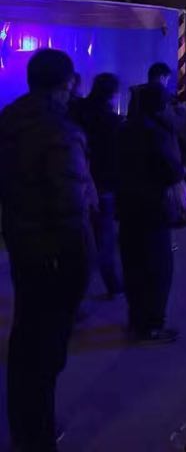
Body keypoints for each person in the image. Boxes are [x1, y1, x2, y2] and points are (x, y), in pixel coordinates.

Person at [0, 49, 96, 452]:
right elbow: (70, 205)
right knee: (45, 347)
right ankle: (35, 437)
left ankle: (27, 427)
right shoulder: (59, 130)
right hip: (55, 253)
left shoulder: (10, 118)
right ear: (67, 83)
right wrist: (81, 264)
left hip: (22, 242)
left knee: (26, 338)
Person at [117, 81, 185, 343]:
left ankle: (136, 321)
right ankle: (152, 326)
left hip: (126, 208)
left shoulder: (124, 129)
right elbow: (172, 171)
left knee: (133, 267)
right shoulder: (155, 133)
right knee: (157, 269)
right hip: (153, 209)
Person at [76, 73, 124, 297]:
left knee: (79, 239)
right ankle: (111, 284)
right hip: (103, 184)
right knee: (104, 238)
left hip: (78, 182)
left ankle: (75, 294)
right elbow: (116, 156)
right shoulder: (112, 121)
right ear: (113, 94)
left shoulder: (77, 111)